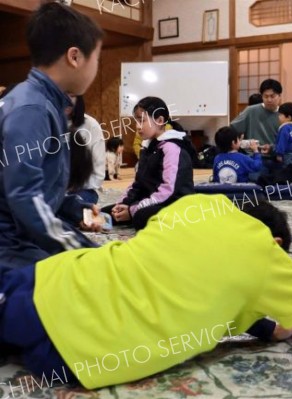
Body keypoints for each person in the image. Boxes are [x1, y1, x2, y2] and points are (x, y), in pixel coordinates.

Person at [0, 196, 292, 390]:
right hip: (72, 358)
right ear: (277, 243)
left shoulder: (202, 205)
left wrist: (270, 327)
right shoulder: (268, 259)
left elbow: (199, 274)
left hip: (50, 286)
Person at [0, 2, 103, 271]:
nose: (97, 67)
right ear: (75, 57)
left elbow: (44, 188)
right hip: (9, 242)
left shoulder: (41, 102)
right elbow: (24, 194)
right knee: (89, 272)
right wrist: (76, 246)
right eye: (97, 58)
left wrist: (74, 207)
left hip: (18, 232)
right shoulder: (32, 108)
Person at [102, 96, 194, 230]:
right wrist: (123, 203)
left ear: (160, 120)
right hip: (153, 201)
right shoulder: (147, 148)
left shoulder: (172, 148)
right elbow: (138, 183)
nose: (138, 127)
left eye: (142, 121)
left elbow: (168, 190)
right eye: (136, 122)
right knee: (108, 212)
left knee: (140, 216)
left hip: (174, 204)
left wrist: (132, 210)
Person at [67, 95, 105, 204]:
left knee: (72, 208)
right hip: (52, 188)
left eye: (71, 96)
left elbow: (98, 174)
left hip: (82, 188)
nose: (65, 100)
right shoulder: (46, 123)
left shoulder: (91, 125)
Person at [231, 78, 282, 147]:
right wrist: (241, 143)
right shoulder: (251, 110)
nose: (269, 100)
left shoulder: (283, 115)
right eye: (266, 96)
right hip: (251, 155)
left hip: (274, 155)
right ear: (262, 96)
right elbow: (233, 128)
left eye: (272, 96)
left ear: (279, 96)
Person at [275, 102, 292, 168]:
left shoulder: (284, 128)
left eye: (280, 115)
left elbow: (282, 142)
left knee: (287, 171)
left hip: (287, 154)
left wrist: (279, 154)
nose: (278, 117)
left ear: (288, 117)